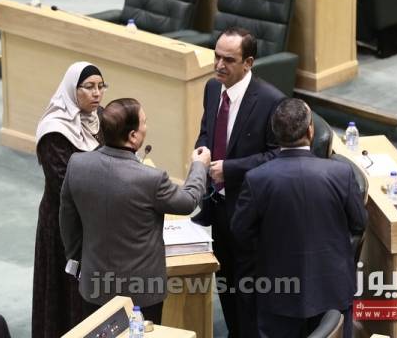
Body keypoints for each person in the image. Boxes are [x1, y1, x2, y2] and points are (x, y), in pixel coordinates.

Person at [60, 98, 211, 324]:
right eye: (144, 123)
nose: (146, 127)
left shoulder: (77, 165)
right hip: (141, 293)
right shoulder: (151, 179)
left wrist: (79, 260)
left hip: (94, 285)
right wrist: (199, 166)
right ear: (132, 136)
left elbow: (68, 222)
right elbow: (188, 201)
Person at [231, 98, 368, 338]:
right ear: (310, 130)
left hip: (278, 291)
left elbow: (240, 232)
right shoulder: (341, 173)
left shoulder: (256, 179)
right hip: (331, 287)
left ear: (275, 134)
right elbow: (359, 223)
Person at [191, 26, 285, 337]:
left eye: (229, 60)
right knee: (225, 281)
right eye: (217, 56)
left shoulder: (271, 100)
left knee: (247, 289)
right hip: (217, 204)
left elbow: (277, 156)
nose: (219, 65)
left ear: (248, 63)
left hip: (249, 211)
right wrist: (202, 150)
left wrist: (230, 169)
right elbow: (207, 131)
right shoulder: (211, 88)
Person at [32, 61, 107, 338]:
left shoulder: (100, 119)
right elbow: (65, 185)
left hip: (96, 223)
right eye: (89, 87)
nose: (97, 93)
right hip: (64, 226)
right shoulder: (54, 131)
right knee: (63, 290)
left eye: (101, 86)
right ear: (72, 89)